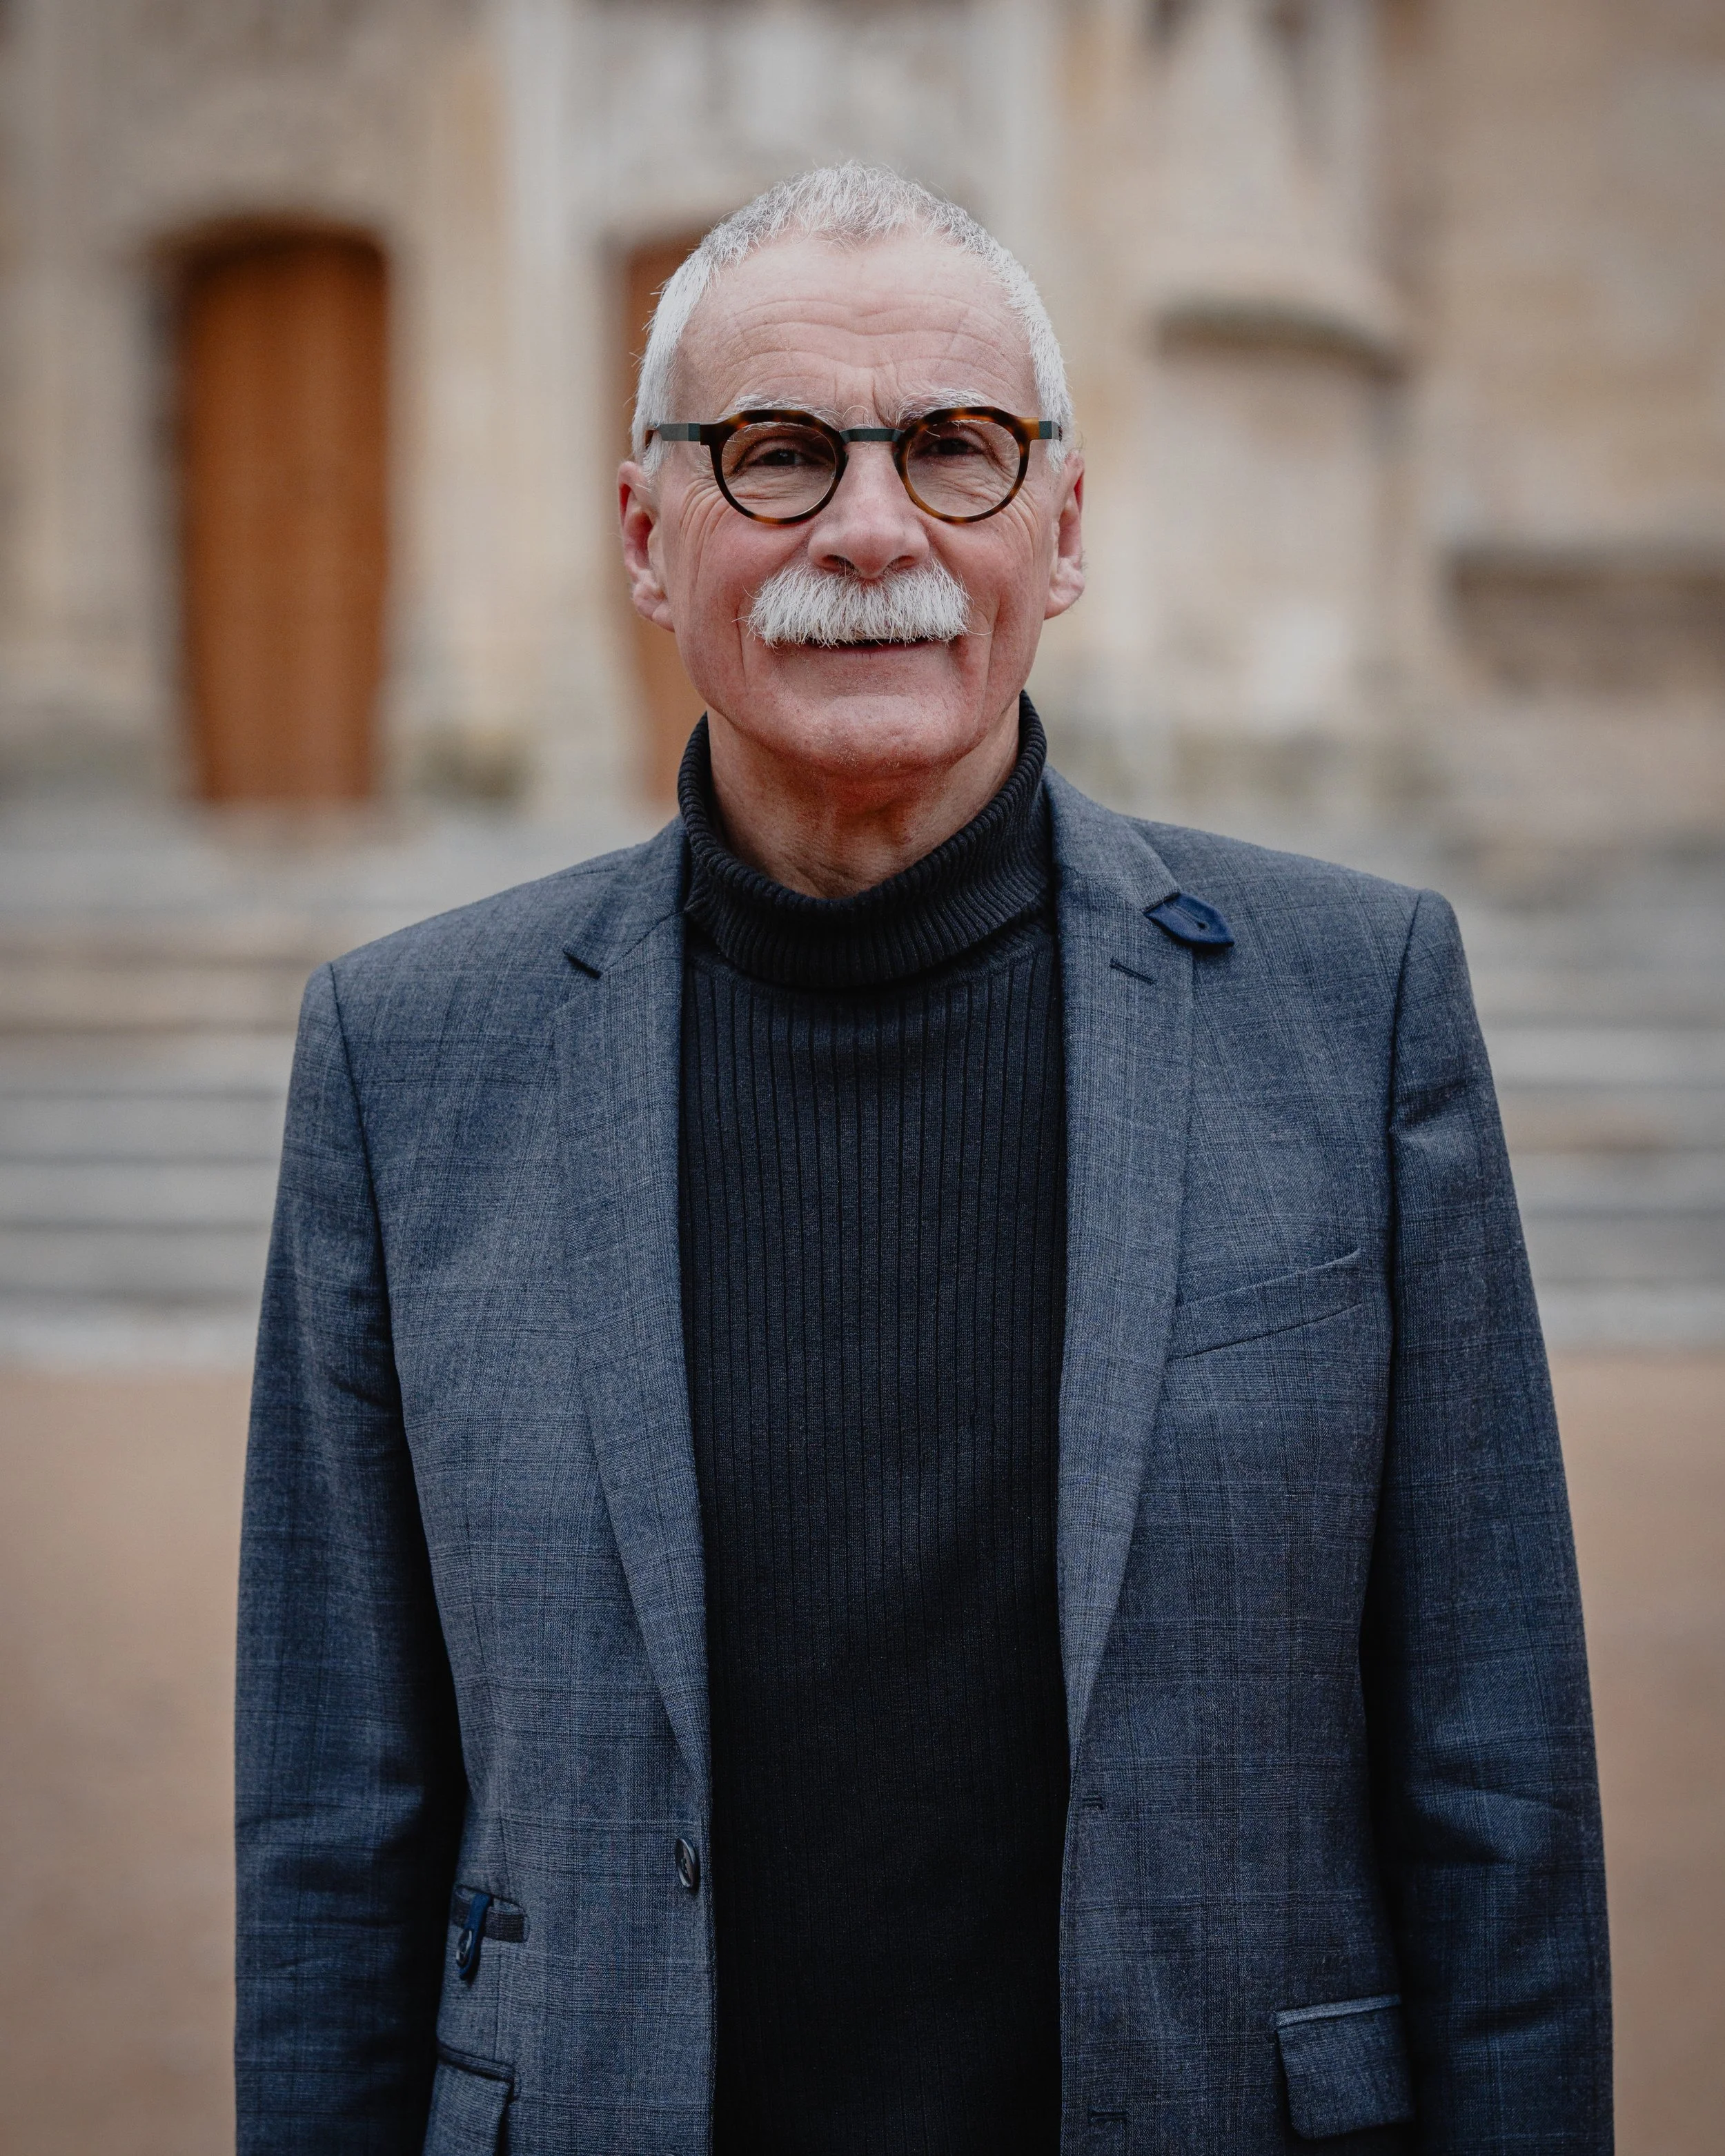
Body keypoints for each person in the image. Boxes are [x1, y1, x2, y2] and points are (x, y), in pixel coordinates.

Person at [235, 165, 1609, 2156]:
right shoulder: (409, 1056)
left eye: (956, 449)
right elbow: (332, 1818)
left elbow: (1498, 1786)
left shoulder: (1354, 1005)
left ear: (1065, 526)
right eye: (777, 452)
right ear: (647, 534)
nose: (871, 530)